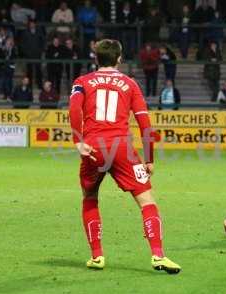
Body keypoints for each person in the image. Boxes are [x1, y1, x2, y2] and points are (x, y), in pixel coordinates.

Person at [69, 39, 181, 273]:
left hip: (93, 149)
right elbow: (144, 123)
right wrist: (149, 159)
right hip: (122, 149)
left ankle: (97, 256)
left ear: (96, 58)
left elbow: (74, 110)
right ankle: (158, 255)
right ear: (119, 58)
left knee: (90, 198)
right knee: (147, 201)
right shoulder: (130, 84)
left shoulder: (82, 82)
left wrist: (78, 141)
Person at [20, 20, 45, 90]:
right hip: (29, 55)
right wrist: (26, 52)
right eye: (30, 24)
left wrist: (40, 51)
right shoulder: (25, 32)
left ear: (35, 24)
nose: (32, 25)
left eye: (33, 24)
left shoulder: (39, 31)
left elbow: (43, 41)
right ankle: (29, 86)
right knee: (29, 71)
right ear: (29, 25)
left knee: (38, 71)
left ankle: (40, 85)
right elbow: (22, 44)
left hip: (37, 55)